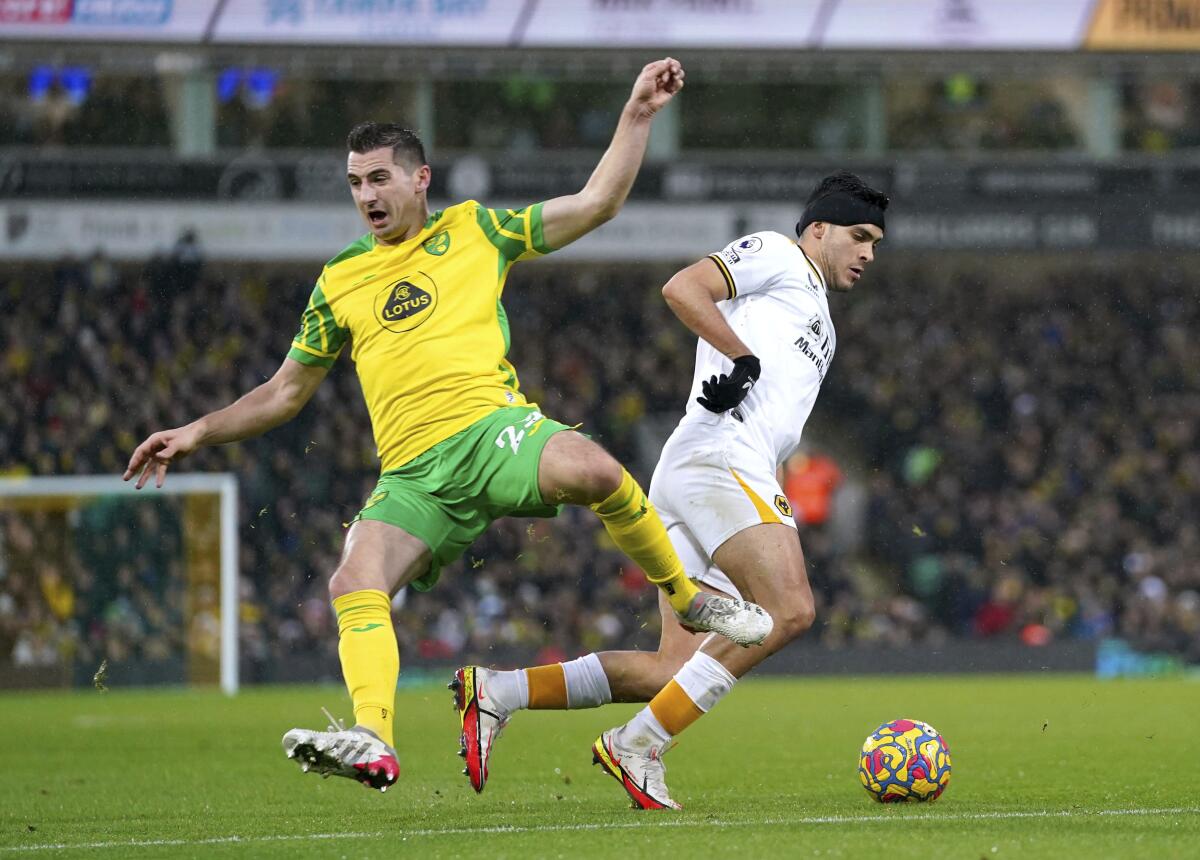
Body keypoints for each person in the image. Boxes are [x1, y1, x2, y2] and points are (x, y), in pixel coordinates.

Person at [122, 57, 771, 794]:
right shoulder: (338, 281)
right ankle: (372, 736)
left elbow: (595, 204)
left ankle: (686, 597)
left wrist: (637, 114)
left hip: (492, 434)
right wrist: (195, 432)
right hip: (413, 477)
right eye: (355, 183)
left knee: (593, 471)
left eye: (378, 179)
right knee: (353, 577)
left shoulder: (477, 230)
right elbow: (282, 393)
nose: (366, 195)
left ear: (419, 179)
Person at [453, 170, 888, 808]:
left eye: (875, 242)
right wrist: (740, 359)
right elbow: (684, 288)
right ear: (818, 229)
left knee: (673, 670)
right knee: (790, 609)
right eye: (859, 236)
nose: (869, 253)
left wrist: (741, 363)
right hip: (721, 457)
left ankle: (499, 692)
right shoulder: (778, 252)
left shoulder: (818, 310)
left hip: (699, 467)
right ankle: (639, 743)